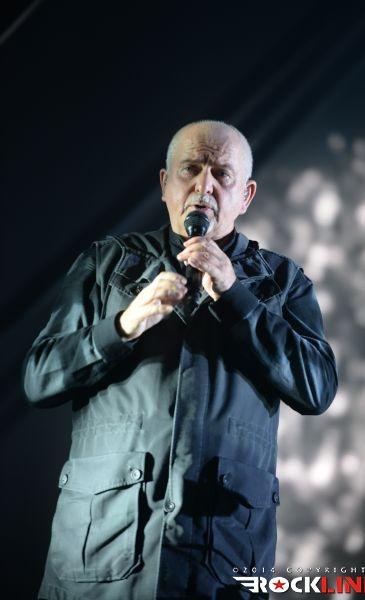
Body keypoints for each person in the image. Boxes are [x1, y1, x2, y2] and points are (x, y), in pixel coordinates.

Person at [23, 120, 338, 600]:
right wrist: (124, 325)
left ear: (246, 195)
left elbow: (317, 390)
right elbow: (40, 378)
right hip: (99, 559)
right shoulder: (106, 263)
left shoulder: (282, 282)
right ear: (165, 184)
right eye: (190, 169)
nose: (203, 186)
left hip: (222, 564)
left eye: (222, 174)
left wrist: (236, 296)